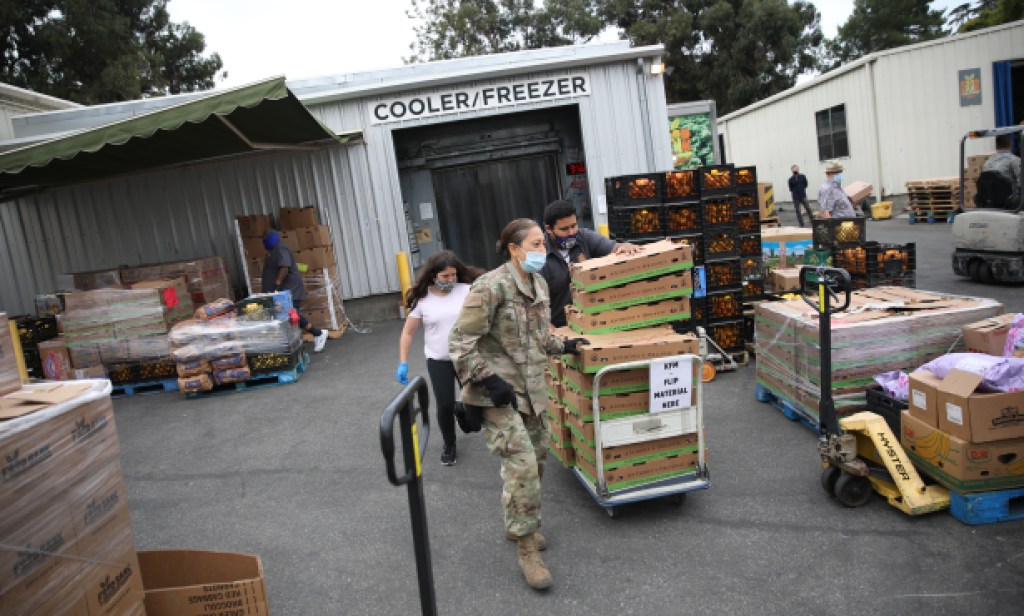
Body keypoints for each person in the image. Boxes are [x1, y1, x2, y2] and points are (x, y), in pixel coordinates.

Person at [449, 218, 588, 591]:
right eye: (537, 244)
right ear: (514, 248)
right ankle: (527, 548)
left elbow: (540, 337)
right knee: (523, 466)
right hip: (495, 395)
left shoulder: (537, 283)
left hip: (532, 394)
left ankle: (517, 525)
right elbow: (460, 342)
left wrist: (566, 345)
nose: (543, 250)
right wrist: (488, 378)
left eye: (543, 244)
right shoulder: (490, 287)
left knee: (537, 462)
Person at [396, 250, 479, 466]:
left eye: (453, 275)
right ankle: (449, 445)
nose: (450, 280)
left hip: (466, 357)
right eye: (445, 276)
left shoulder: (467, 290)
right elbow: (407, 333)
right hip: (438, 360)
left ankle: (461, 410)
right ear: (433, 275)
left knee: (476, 413)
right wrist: (403, 362)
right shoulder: (423, 300)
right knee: (443, 406)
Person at [538, 200, 643, 328]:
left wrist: (623, 247)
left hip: (593, 319)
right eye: (564, 229)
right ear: (549, 229)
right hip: (561, 326)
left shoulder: (584, 238)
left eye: (574, 226)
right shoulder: (539, 253)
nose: (571, 232)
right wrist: (544, 324)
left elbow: (610, 246)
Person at [262, 229, 328, 352]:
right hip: (283, 290)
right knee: (289, 316)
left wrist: (277, 283)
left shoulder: (280, 248)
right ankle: (299, 342)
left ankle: (318, 333)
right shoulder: (273, 251)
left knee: (291, 315)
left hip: (289, 289)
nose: (263, 241)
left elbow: (285, 267)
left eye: (264, 238)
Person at [981, 133, 1022, 210]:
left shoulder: (988, 162)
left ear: (996, 146)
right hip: (1010, 201)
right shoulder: (1014, 160)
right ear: (1011, 144)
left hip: (991, 200)